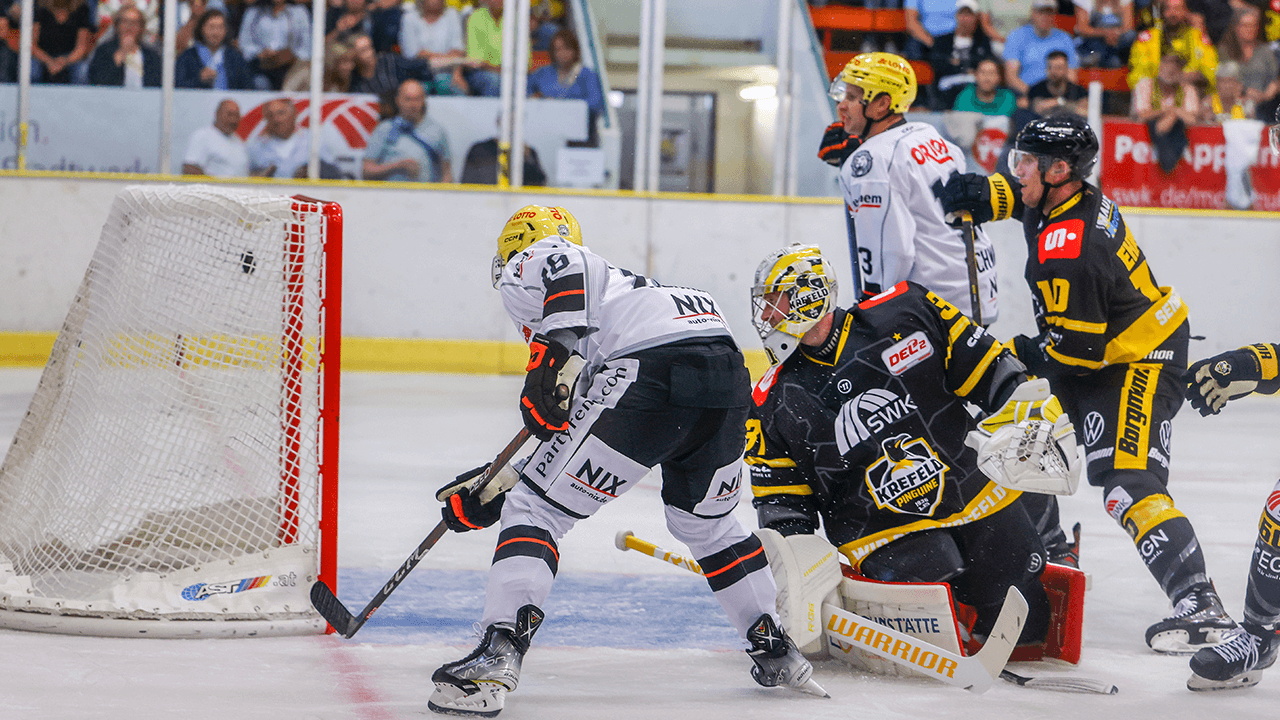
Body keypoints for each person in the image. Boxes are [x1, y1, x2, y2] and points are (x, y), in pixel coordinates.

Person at [426, 206, 822, 716]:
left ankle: (498, 654)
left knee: (537, 511)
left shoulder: (546, 262)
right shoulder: (625, 299)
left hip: (651, 369)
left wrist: (556, 350)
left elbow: (567, 263)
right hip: (724, 372)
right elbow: (583, 427)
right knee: (708, 524)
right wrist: (496, 485)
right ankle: (773, 646)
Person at [936, 114, 1239, 655]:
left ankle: (1200, 603)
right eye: (1017, 160)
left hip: (1138, 358)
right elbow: (1024, 197)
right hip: (1102, 355)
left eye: (1026, 162)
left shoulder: (1070, 248)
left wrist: (1023, 353)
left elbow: (1075, 353)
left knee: (1127, 484)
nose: (1016, 171)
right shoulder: (1059, 198)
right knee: (1012, 440)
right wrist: (985, 194)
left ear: (1060, 171)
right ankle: (1050, 549)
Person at [746, 243, 1070, 649]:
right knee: (933, 600)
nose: (766, 316)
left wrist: (1027, 412)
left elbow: (992, 370)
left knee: (1029, 615)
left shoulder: (906, 312)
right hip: (880, 534)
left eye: (774, 303)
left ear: (808, 296)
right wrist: (797, 577)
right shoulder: (772, 400)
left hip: (975, 497)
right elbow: (782, 505)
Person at [828, 52, 999, 324]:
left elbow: (893, 251)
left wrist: (874, 310)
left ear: (882, 104)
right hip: (974, 291)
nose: (841, 106)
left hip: (936, 311)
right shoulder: (930, 135)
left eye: (851, 97)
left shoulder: (874, 160)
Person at [362, 78, 453, 182]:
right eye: (408, 99)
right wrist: (397, 166)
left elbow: (447, 172)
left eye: (417, 99)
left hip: (426, 195)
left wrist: (442, 196)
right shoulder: (385, 129)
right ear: (398, 100)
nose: (413, 105)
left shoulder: (438, 131)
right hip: (390, 194)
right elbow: (366, 170)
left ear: (423, 100)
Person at [526, 28, 604, 146]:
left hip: (575, 135)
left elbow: (595, 102)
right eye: (558, 49)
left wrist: (564, 104)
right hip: (545, 132)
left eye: (566, 48)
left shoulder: (586, 75)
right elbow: (525, 89)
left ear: (575, 50)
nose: (562, 53)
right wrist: (538, 100)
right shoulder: (544, 73)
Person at [1127, 0, 1217, 98]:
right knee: (1143, 85)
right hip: (1153, 97)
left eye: (1177, 9)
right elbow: (1136, 74)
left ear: (1187, 12)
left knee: (1192, 90)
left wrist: (1192, 75)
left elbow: (1212, 71)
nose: (1173, 13)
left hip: (1189, 96)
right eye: (1168, 9)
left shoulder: (1199, 38)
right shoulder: (1147, 39)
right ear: (1162, 13)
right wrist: (1163, 75)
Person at [929, 0, 998, 110]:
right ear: (956, 16)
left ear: (976, 18)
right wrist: (966, 67)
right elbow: (939, 64)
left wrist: (956, 63)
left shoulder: (983, 41)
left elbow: (985, 62)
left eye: (969, 15)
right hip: (948, 84)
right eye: (962, 14)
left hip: (974, 83)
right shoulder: (942, 40)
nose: (965, 19)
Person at [247, 97, 339, 178]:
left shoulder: (313, 139)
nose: (276, 119)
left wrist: (311, 171)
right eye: (271, 115)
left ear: (294, 114)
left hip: (305, 195)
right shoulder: (256, 146)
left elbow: (333, 173)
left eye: (281, 113)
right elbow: (246, 177)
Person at [1002, 0, 1079, 98]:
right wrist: (1034, 95)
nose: (1045, 17)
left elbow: (1071, 76)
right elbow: (1011, 77)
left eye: (1049, 13)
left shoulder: (1065, 39)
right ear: (1033, 13)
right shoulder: (1016, 36)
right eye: (1040, 12)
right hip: (1026, 94)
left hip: (1058, 96)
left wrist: (1059, 98)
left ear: (1054, 15)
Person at [1216, 6, 1279, 120]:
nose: (1250, 29)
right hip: (1233, 102)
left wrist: (1267, 93)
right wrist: (1245, 91)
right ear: (1236, 27)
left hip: (1264, 103)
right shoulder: (1225, 50)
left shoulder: (1265, 50)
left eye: (1253, 25)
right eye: (1245, 25)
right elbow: (1222, 78)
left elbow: (1275, 78)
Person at [399, 0, 470, 95]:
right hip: (418, 73)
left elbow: (458, 51)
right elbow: (413, 54)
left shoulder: (452, 14)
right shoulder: (409, 18)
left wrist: (457, 74)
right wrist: (449, 58)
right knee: (417, 90)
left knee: (449, 83)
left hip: (448, 72)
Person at [237, 0, 311, 90]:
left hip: (291, 67)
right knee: (259, 83)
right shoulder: (253, 12)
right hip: (261, 66)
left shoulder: (299, 12)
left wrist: (291, 55)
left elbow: (307, 46)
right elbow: (244, 43)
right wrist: (259, 52)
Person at [459, 114, 547, 185]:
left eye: (515, 122)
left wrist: (528, 158)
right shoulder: (480, 149)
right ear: (498, 122)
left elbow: (540, 184)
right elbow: (467, 182)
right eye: (508, 121)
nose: (511, 126)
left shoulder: (527, 152)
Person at [175, 8, 252, 89]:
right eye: (211, 27)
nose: (216, 32)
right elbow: (177, 87)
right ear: (201, 28)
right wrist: (199, 80)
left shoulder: (235, 57)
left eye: (220, 27)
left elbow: (248, 88)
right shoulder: (187, 57)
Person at [346, 30, 435, 99]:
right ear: (353, 55)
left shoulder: (388, 61)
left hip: (398, 114)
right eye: (363, 51)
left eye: (370, 48)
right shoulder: (351, 77)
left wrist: (448, 60)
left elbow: (423, 64)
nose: (370, 53)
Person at [87, 5, 161, 87]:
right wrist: (121, 54)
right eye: (125, 21)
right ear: (117, 25)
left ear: (141, 27)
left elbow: (156, 85)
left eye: (135, 23)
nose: (129, 27)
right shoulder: (103, 51)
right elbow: (98, 82)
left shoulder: (151, 56)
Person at [182, 98, 249, 177]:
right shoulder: (202, 136)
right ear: (217, 114)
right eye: (229, 114)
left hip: (241, 188)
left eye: (237, 115)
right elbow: (190, 168)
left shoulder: (238, 141)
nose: (233, 120)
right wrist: (213, 187)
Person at [31, 0, 93, 84]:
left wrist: (65, 61)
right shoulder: (40, 7)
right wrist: (49, 61)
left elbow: (81, 46)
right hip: (43, 56)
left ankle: (78, 96)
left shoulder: (82, 8)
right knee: (31, 69)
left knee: (82, 71)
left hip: (70, 57)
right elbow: (32, 44)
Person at [1072, 0, 1135, 68]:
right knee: (1114, 62)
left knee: (1130, 35)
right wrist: (1105, 33)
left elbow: (1128, 27)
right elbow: (1082, 28)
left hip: (1118, 41)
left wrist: (1114, 34)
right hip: (1094, 40)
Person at [1027, 49, 1089, 116]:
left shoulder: (1079, 91)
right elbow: (1037, 108)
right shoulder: (1036, 89)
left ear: (1067, 69)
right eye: (1050, 67)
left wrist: (1060, 102)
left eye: (1058, 68)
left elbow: (1085, 112)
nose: (1054, 72)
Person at [953, 56, 1018, 115]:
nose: (987, 78)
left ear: (999, 77)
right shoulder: (965, 96)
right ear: (976, 75)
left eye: (991, 73)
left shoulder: (1007, 98)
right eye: (983, 72)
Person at [464, 0, 503, 96]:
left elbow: (524, 60)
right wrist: (503, 71)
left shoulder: (517, 19)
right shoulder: (476, 17)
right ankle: (491, 111)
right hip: (480, 73)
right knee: (493, 80)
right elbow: (478, 62)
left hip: (513, 73)